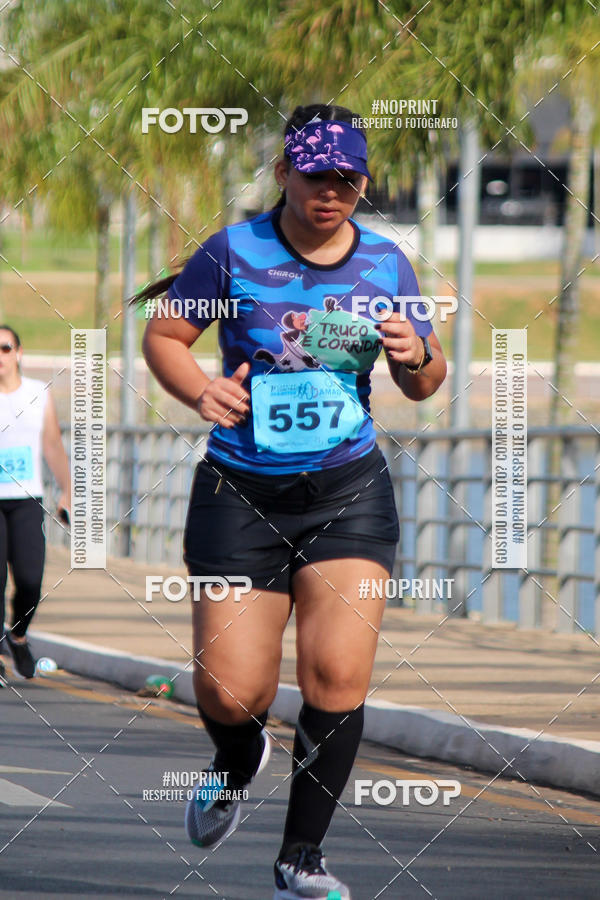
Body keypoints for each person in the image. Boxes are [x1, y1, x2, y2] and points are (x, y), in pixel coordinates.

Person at [139, 103, 447, 900]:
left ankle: (299, 860)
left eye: (348, 179)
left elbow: (423, 379)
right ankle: (237, 759)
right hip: (239, 490)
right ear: (283, 173)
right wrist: (199, 387)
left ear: (363, 183)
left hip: (348, 489)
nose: (332, 193)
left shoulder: (387, 263)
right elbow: (165, 337)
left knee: (337, 677)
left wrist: (416, 356)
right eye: (317, 176)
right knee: (230, 690)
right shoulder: (231, 253)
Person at [0, 325, 70, 682]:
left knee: (30, 579)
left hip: (26, 498)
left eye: (5, 348)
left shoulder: (38, 393)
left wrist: (67, 491)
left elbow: (53, 446)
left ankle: (18, 636)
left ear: (19, 353)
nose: (0, 356)